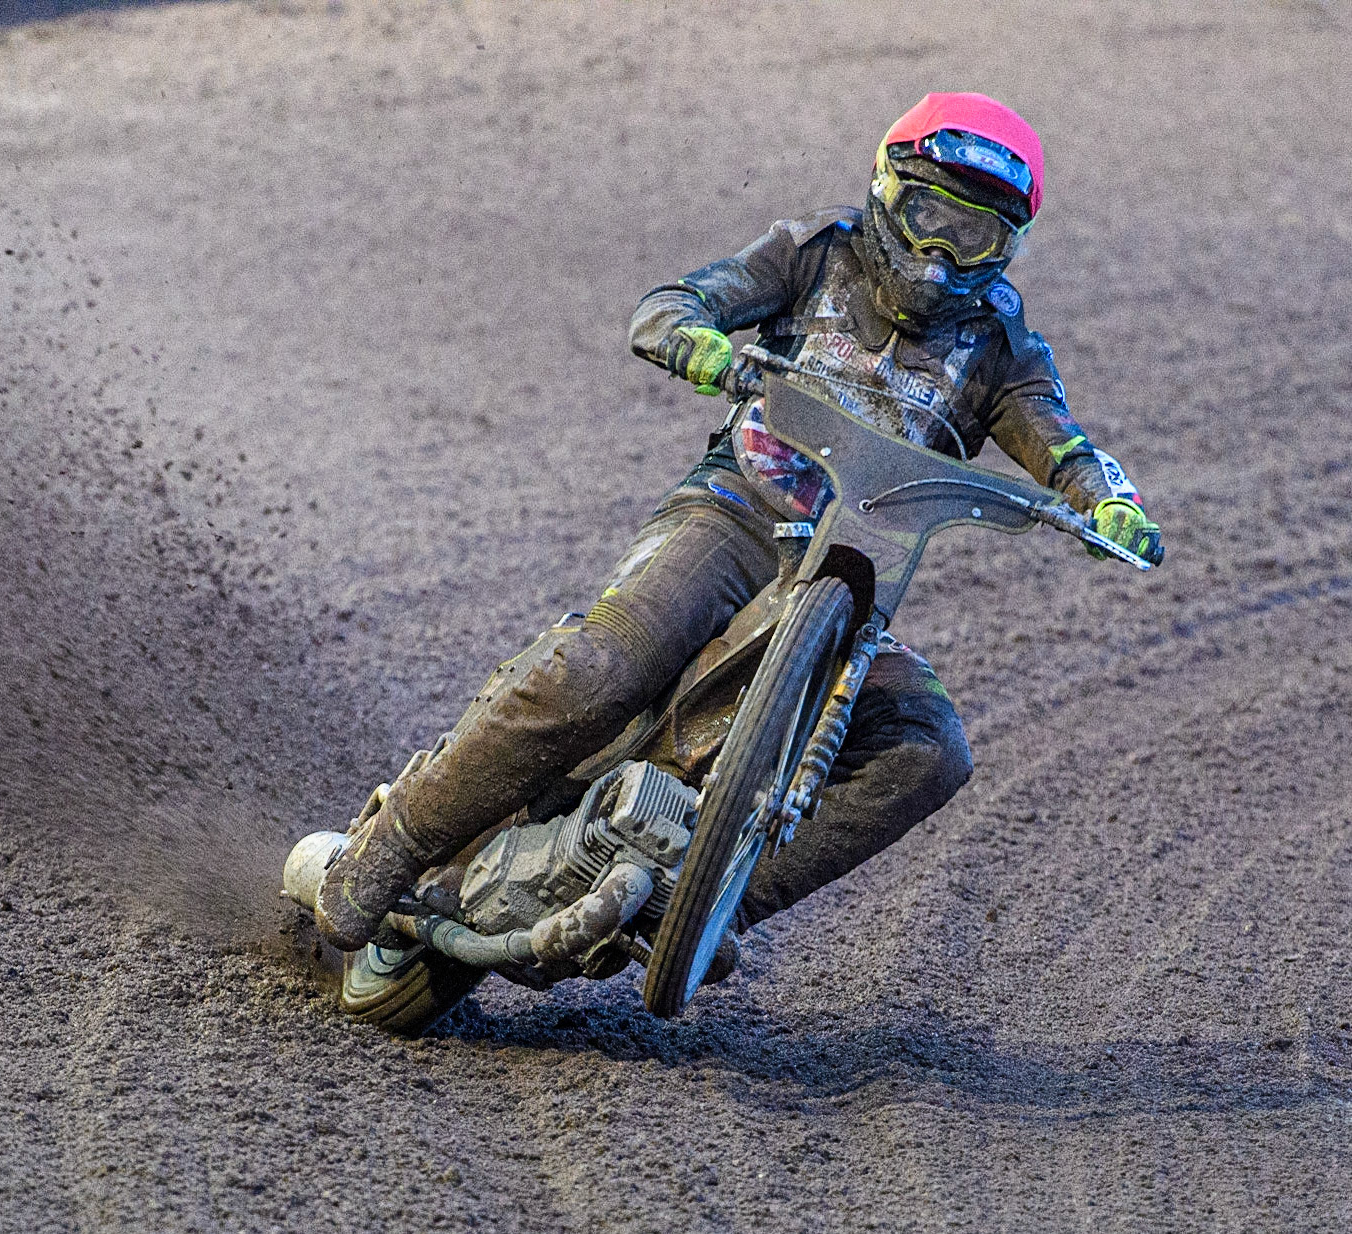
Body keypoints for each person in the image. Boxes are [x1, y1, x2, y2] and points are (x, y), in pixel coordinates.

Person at [313, 92, 1163, 957]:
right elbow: (674, 302)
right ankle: (394, 847)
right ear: (885, 191)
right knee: (605, 665)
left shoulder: (1002, 346)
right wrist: (694, 338)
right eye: (929, 216)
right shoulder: (813, 254)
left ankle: (715, 904)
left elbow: (1063, 445)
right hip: (735, 513)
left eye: (972, 235)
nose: (942, 254)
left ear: (1006, 248)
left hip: (855, 574)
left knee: (931, 749)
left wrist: (1109, 502)